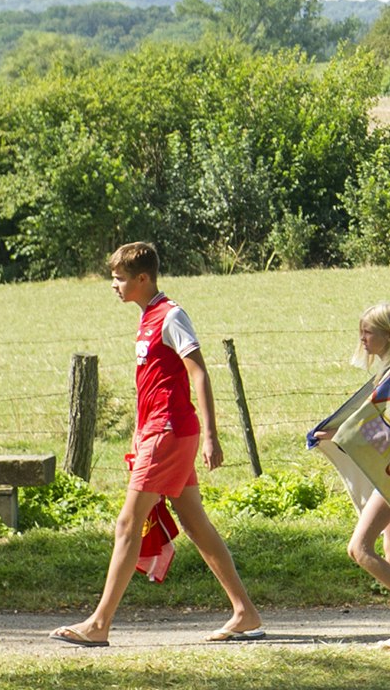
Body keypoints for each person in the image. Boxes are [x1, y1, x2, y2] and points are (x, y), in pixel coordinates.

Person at [53, 242, 265, 646]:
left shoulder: (171, 316)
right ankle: (245, 611)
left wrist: (212, 436)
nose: (113, 285)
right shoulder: (147, 317)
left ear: (142, 278)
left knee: (128, 524)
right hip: (160, 431)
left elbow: (199, 373)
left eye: (119, 278)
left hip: (169, 432)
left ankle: (99, 624)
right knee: (195, 523)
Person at [308, 303, 390, 650]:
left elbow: (380, 426)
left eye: (368, 332)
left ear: (388, 334)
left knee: (359, 548)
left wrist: (337, 436)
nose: (363, 339)